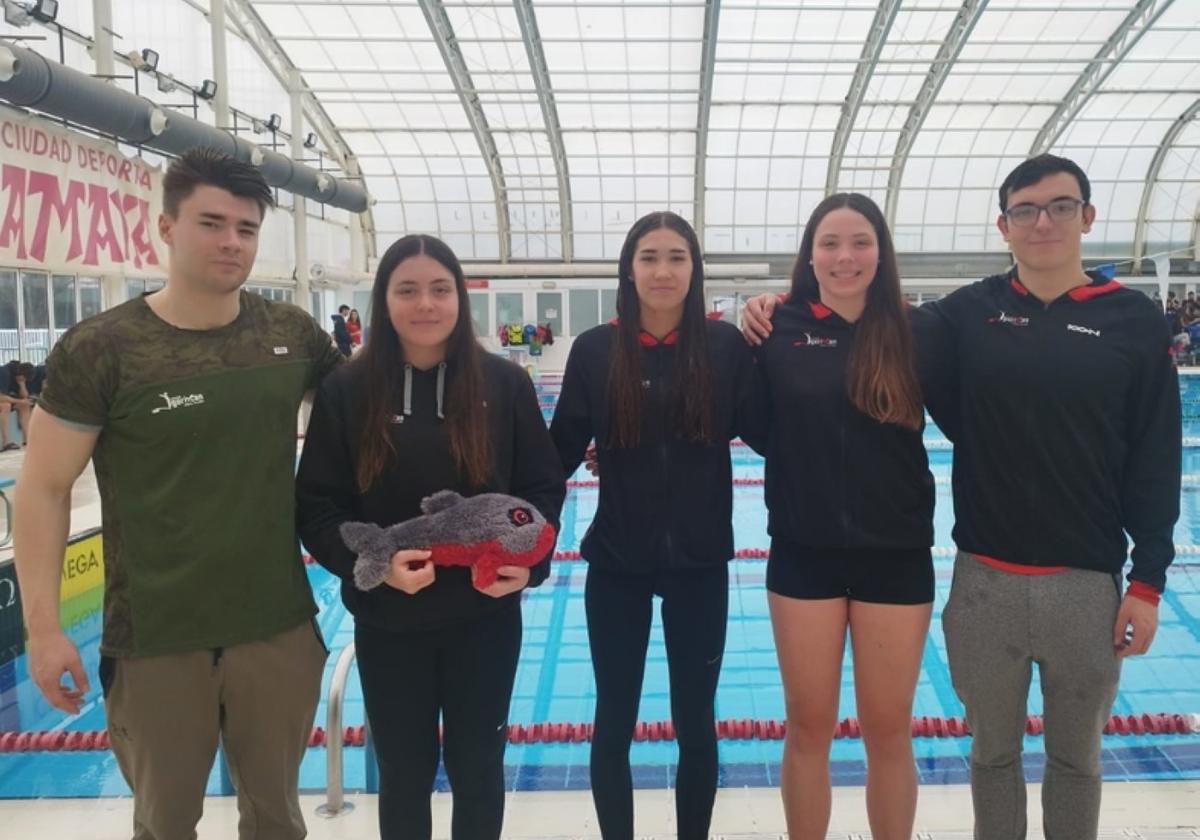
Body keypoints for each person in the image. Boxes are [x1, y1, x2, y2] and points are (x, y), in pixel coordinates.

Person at [743, 154, 1182, 840]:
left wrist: (1148, 576)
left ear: (1087, 218)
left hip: (1013, 569)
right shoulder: (939, 319)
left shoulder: (938, 328)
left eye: (1061, 207)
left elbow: (1153, 456)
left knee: (1048, 756)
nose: (1044, 223)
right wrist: (763, 305)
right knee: (949, 751)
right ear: (1003, 225)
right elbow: (756, 416)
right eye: (829, 242)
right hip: (897, 569)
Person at [14, 147, 344, 840]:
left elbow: (373, 420)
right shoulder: (103, 348)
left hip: (276, 629)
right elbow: (43, 488)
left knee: (279, 822)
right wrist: (44, 631)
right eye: (212, 223)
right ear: (166, 228)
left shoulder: (289, 335)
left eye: (247, 229)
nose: (232, 242)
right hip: (156, 639)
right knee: (164, 827)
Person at [296, 234, 565, 840]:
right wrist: (372, 566)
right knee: (403, 773)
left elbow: (542, 493)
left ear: (459, 298)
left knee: (478, 772)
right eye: (408, 290)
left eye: (440, 289)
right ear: (383, 300)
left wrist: (531, 568)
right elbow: (317, 505)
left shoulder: (504, 384)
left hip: (486, 617)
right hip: (390, 620)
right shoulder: (349, 391)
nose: (426, 304)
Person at [549, 211, 763, 840]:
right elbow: (556, 452)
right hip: (616, 564)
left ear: (694, 270)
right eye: (649, 257)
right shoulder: (595, 350)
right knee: (613, 722)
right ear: (629, 268)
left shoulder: (725, 348)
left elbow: (772, 430)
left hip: (700, 565)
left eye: (677, 257)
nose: (663, 270)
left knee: (696, 723)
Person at [744, 194, 934, 840]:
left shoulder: (917, 333)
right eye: (830, 243)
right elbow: (743, 422)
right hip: (804, 551)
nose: (844, 257)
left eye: (860, 242)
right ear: (810, 254)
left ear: (881, 253)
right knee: (808, 726)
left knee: (888, 730)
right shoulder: (775, 329)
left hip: (897, 555)